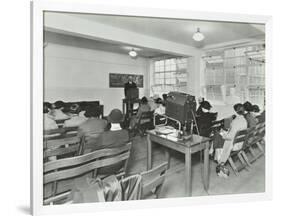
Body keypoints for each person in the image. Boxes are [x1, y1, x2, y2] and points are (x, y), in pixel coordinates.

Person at [215, 103, 247, 178]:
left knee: (218, 138)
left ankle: (220, 162)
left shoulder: (235, 121)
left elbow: (230, 136)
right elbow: (235, 132)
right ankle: (219, 161)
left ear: (235, 111)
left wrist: (223, 134)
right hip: (240, 142)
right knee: (220, 138)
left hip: (234, 145)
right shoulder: (244, 120)